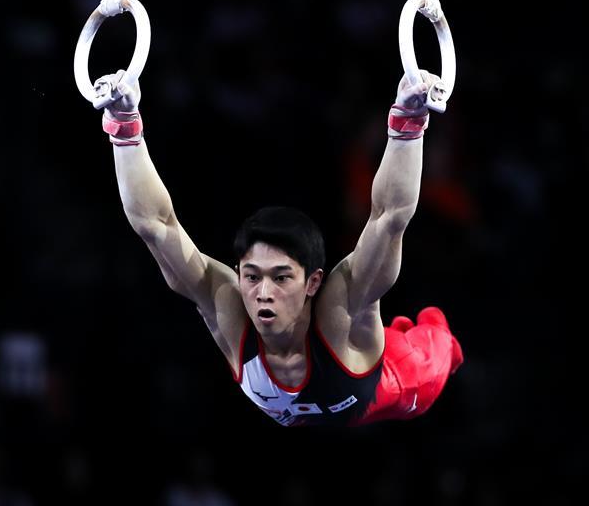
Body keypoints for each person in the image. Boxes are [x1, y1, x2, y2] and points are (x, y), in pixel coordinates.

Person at [92, 70, 463, 427]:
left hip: (399, 384)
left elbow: (389, 217)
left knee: (437, 341)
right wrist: (124, 127)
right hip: (317, 411)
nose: (263, 293)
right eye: (252, 276)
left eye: (281, 277)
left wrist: (409, 122)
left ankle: (438, 336)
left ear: (313, 282)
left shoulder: (342, 309)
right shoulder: (226, 306)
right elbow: (155, 224)